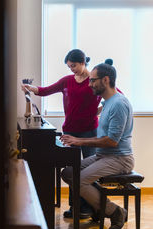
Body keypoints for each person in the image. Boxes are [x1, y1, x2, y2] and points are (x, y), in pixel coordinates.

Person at [21, 49, 100, 218]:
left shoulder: (94, 81)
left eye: (74, 66)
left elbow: (115, 96)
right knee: (72, 169)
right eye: (69, 67)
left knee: (88, 170)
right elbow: (44, 90)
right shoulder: (67, 81)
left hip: (89, 131)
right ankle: (75, 207)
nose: (72, 69)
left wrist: (98, 111)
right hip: (70, 129)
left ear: (83, 62)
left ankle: (89, 208)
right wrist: (30, 88)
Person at [60, 59, 134, 229]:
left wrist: (79, 141)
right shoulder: (107, 102)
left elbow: (111, 141)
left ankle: (114, 211)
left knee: (80, 180)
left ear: (106, 80)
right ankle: (97, 206)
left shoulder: (118, 104)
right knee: (68, 172)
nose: (89, 84)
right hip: (104, 156)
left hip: (119, 158)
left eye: (93, 80)